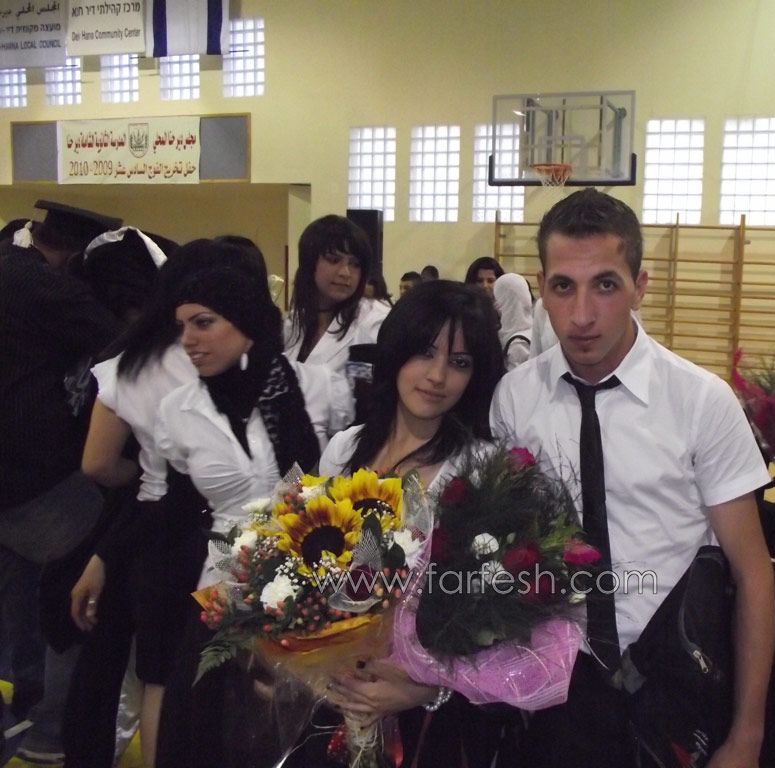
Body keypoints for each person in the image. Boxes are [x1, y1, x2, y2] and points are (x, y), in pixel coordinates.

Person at [489, 189, 775, 768]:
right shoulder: (516, 398)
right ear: (541, 287)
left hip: (675, 679)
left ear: (640, 286)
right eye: (563, 287)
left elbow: (753, 574)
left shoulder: (700, 401)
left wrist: (747, 735)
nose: (582, 315)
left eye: (605, 285)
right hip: (560, 687)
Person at [64, 237, 265, 768]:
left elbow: (97, 463)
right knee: (224, 684)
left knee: (159, 679)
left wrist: (141, 480)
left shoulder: (130, 362)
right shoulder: (243, 361)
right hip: (226, 541)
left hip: (155, 538)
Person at [153, 257, 353, 768]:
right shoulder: (177, 411)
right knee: (206, 731)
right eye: (182, 326)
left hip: (314, 581)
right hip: (223, 586)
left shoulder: (315, 388)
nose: (189, 340)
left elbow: (337, 480)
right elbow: (172, 503)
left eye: (204, 322)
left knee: (294, 734)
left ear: (244, 322)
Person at [320, 280, 508, 768]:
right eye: (425, 352)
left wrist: (423, 689)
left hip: (428, 718)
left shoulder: (479, 469)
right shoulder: (344, 449)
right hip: (335, 695)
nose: (437, 376)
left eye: (460, 363)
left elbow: (496, 617)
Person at [0, 199, 123, 763]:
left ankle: (25, 703)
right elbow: (113, 338)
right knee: (78, 584)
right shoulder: (47, 288)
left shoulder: (6, 266)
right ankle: (53, 726)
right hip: (32, 475)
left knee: (20, 593)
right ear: (74, 257)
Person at [284, 214, 389, 374]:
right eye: (334, 260)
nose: (345, 273)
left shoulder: (376, 322)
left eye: (355, 264)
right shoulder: (292, 324)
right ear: (310, 263)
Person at [493, 272, 533, 369]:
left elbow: (517, 378)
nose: (495, 304)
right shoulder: (533, 329)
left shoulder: (518, 344)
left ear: (506, 301)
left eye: (496, 298)